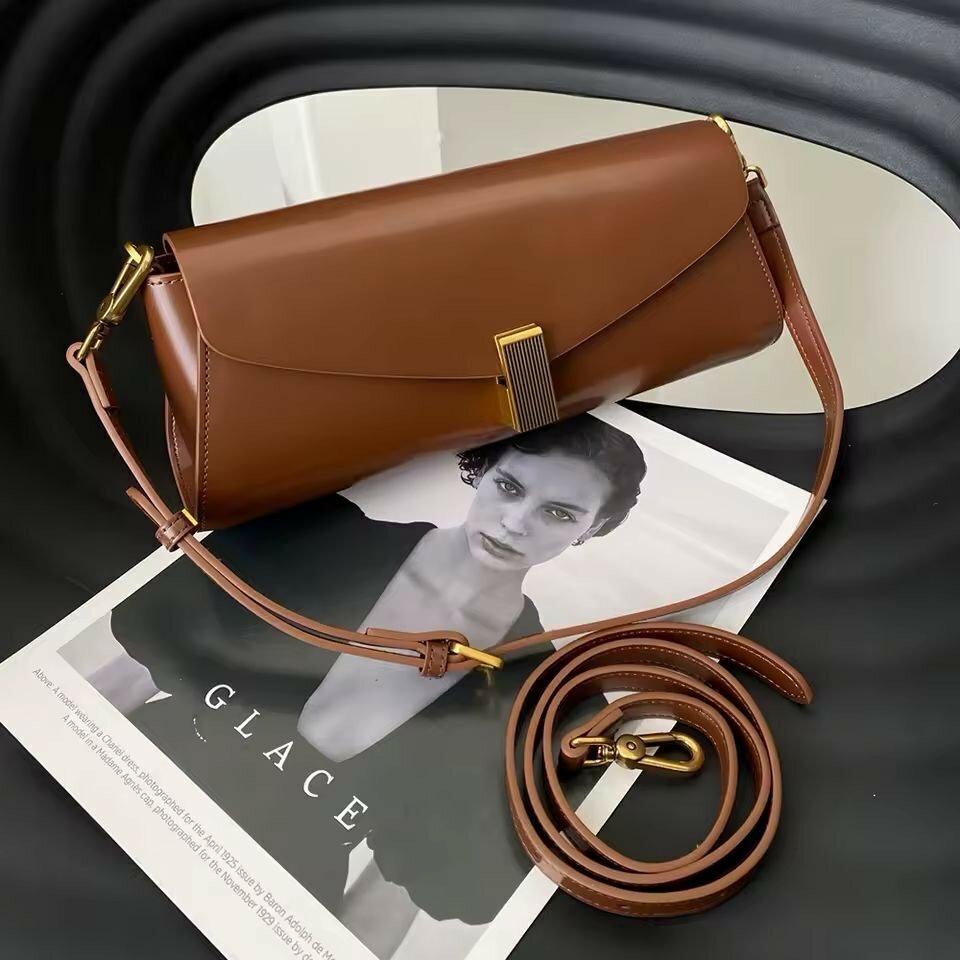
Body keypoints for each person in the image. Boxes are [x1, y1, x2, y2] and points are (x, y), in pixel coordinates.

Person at [72, 413, 647, 957]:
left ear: (594, 527)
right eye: (509, 487)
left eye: (559, 514)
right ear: (483, 468)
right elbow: (134, 671)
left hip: (263, 905)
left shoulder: (538, 701)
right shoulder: (319, 534)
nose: (515, 522)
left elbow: (392, 895)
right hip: (112, 793)